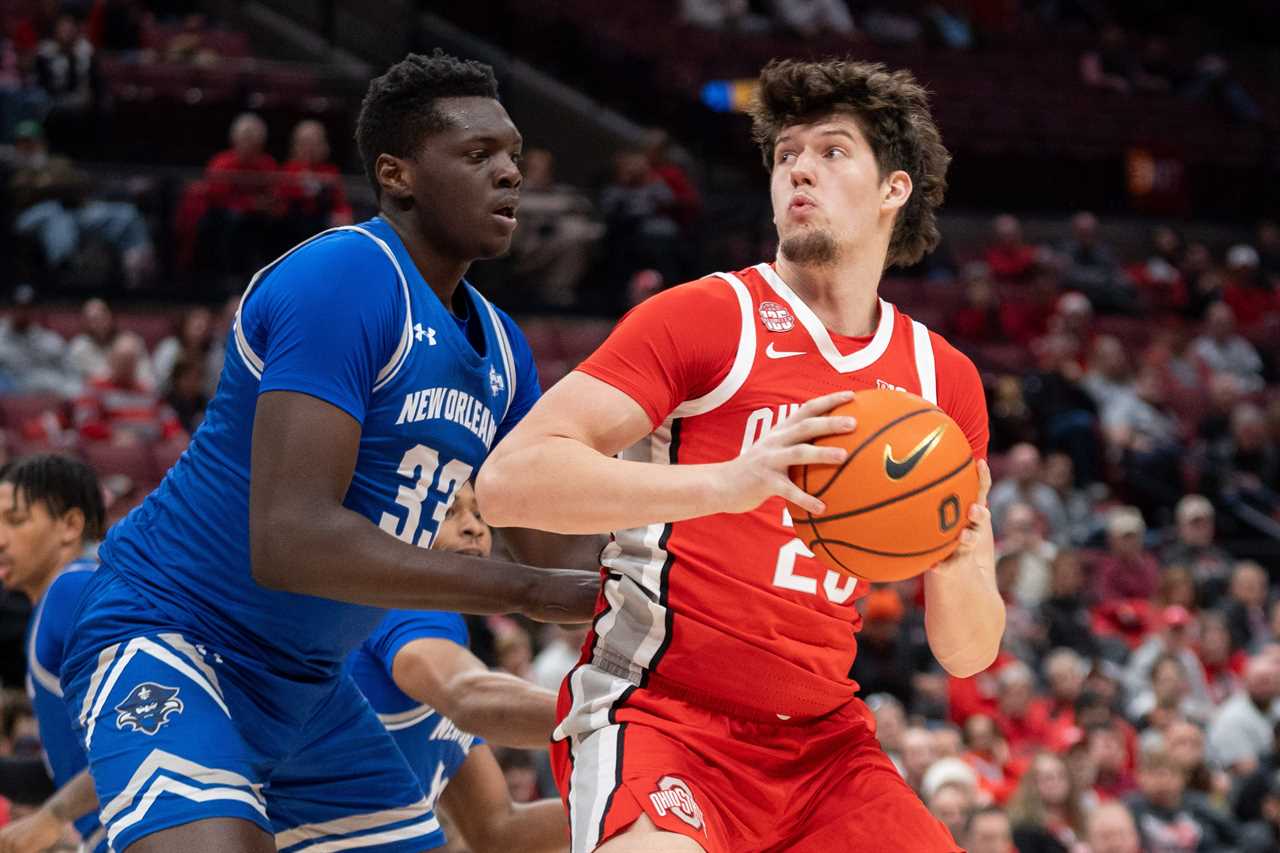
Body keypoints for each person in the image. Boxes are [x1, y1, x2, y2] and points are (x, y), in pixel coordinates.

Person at [56, 51, 597, 853]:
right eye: (479, 155)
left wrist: (691, 545)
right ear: (397, 174)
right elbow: (292, 540)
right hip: (174, 634)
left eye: (513, 153)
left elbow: (560, 538)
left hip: (309, 686)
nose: (510, 173)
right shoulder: (345, 274)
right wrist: (530, 589)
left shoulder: (507, 350)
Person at [479, 57, 1003, 853]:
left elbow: (967, 650)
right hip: (662, 710)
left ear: (895, 188)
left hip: (825, 743)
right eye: (787, 152)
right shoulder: (709, 317)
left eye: (831, 151)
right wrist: (725, 483)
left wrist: (962, 550)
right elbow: (510, 484)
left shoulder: (944, 382)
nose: (799, 168)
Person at [347, 482, 568, 852]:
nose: (474, 528)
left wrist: (633, 804)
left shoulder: (443, 659)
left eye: (480, 514)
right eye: (448, 512)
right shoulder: (397, 600)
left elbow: (499, 831)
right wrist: (626, 720)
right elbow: (471, 696)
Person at [0, 455, 106, 853]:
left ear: (70, 526)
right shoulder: (53, 603)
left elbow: (143, 727)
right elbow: (65, 768)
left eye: (16, 520)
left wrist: (54, 817)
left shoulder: (72, 591)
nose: (0, 538)